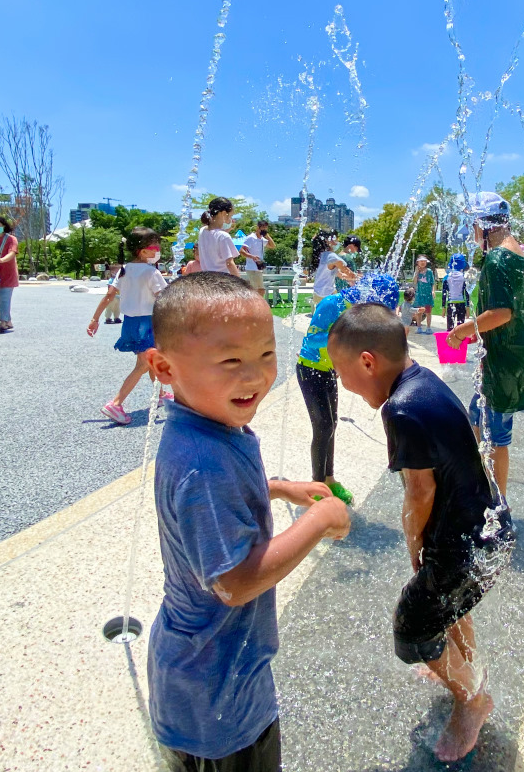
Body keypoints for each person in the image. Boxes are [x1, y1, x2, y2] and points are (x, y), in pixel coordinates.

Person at [144, 273, 350, 772]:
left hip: (213, 666)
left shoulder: (213, 426)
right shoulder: (203, 464)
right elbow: (234, 583)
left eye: (266, 355)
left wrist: (280, 487)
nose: (255, 377)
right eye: (231, 360)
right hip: (216, 693)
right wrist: (319, 520)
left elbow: (232, 491)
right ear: (163, 367)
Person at [328, 303, 514, 764]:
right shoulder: (423, 380)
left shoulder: (402, 408)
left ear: (367, 361)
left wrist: (416, 550)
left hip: (464, 544)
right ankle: (467, 671)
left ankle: (472, 699)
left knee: (412, 632)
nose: (343, 384)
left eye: (341, 372)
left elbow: (419, 491)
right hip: (490, 528)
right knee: (446, 603)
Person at [446, 193, 524, 495]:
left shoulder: (498, 258)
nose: (472, 233)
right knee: (477, 416)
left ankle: (499, 504)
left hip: (503, 358)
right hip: (511, 351)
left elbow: (501, 313)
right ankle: (481, 484)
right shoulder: (518, 253)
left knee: (496, 437)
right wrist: (479, 331)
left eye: (473, 225)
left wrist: (461, 331)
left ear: (483, 224)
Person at [295, 273, 400, 507]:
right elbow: (311, 340)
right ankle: (316, 485)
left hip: (330, 372)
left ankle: (329, 479)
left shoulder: (361, 313)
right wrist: (346, 340)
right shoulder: (332, 304)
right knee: (322, 425)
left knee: (331, 424)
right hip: (310, 370)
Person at [88, 229, 168, 425]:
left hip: (130, 323)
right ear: (142, 251)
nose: (157, 250)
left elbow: (109, 295)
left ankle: (161, 394)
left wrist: (95, 318)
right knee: (143, 364)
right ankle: (116, 403)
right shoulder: (151, 272)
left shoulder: (124, 269)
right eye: (154, 247)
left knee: (150, 359)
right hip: (147, 323)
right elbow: (165, 298)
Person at [196, 197, 243, 277]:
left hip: (207, 279)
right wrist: (241, 284)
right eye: (230, 216)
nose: (230, 219)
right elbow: (229, 263)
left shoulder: (202, 231)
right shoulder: (223, 236)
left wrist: (226, 231)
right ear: (224, 213)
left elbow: (213, 239)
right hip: (222, 281)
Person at [309, 230, 356, 301]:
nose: (337, 242)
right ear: (327, 241)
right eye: (335, 239)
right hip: (328, 297)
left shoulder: (321, 256)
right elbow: (350, 275)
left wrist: (348, 277)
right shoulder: (332, 257)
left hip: (317, 295)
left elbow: (339, 274)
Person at [240, 220, 276, 296]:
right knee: (258, 290)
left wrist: (267, 236)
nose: (264, 230)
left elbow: (272, 246)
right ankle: (256, 306)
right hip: (252, 267)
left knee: (260, 290)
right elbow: (242, 250)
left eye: (265, 228)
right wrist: (252, 256)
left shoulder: (262, 239)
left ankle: (256, 306)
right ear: (257, 228)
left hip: (259, 267)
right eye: (262, 228)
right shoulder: (250, 238)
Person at [443, 254, 470, 331]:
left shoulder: (447, 277)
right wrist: (467, 307)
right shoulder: (464, 277)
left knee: (449, 327)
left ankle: (450, 342)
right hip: (461, 304)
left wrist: (443, 307)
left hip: (450, 303)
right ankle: (460, 342)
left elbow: (444, 294)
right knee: (461, 328)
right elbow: (467, 293)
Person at [412, 256, 436, 333]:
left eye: (424, 261)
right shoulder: (417, 272)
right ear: (418, 263)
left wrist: (433, 291)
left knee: (428, 312)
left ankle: (428, 328)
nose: (422, 263)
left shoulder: (429, 271)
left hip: (428, 294)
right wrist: (416, 272)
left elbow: (432, 283)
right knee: (419, 312)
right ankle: (419, 327)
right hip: (419, 294)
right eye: (421, 261)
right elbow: (415, 282)